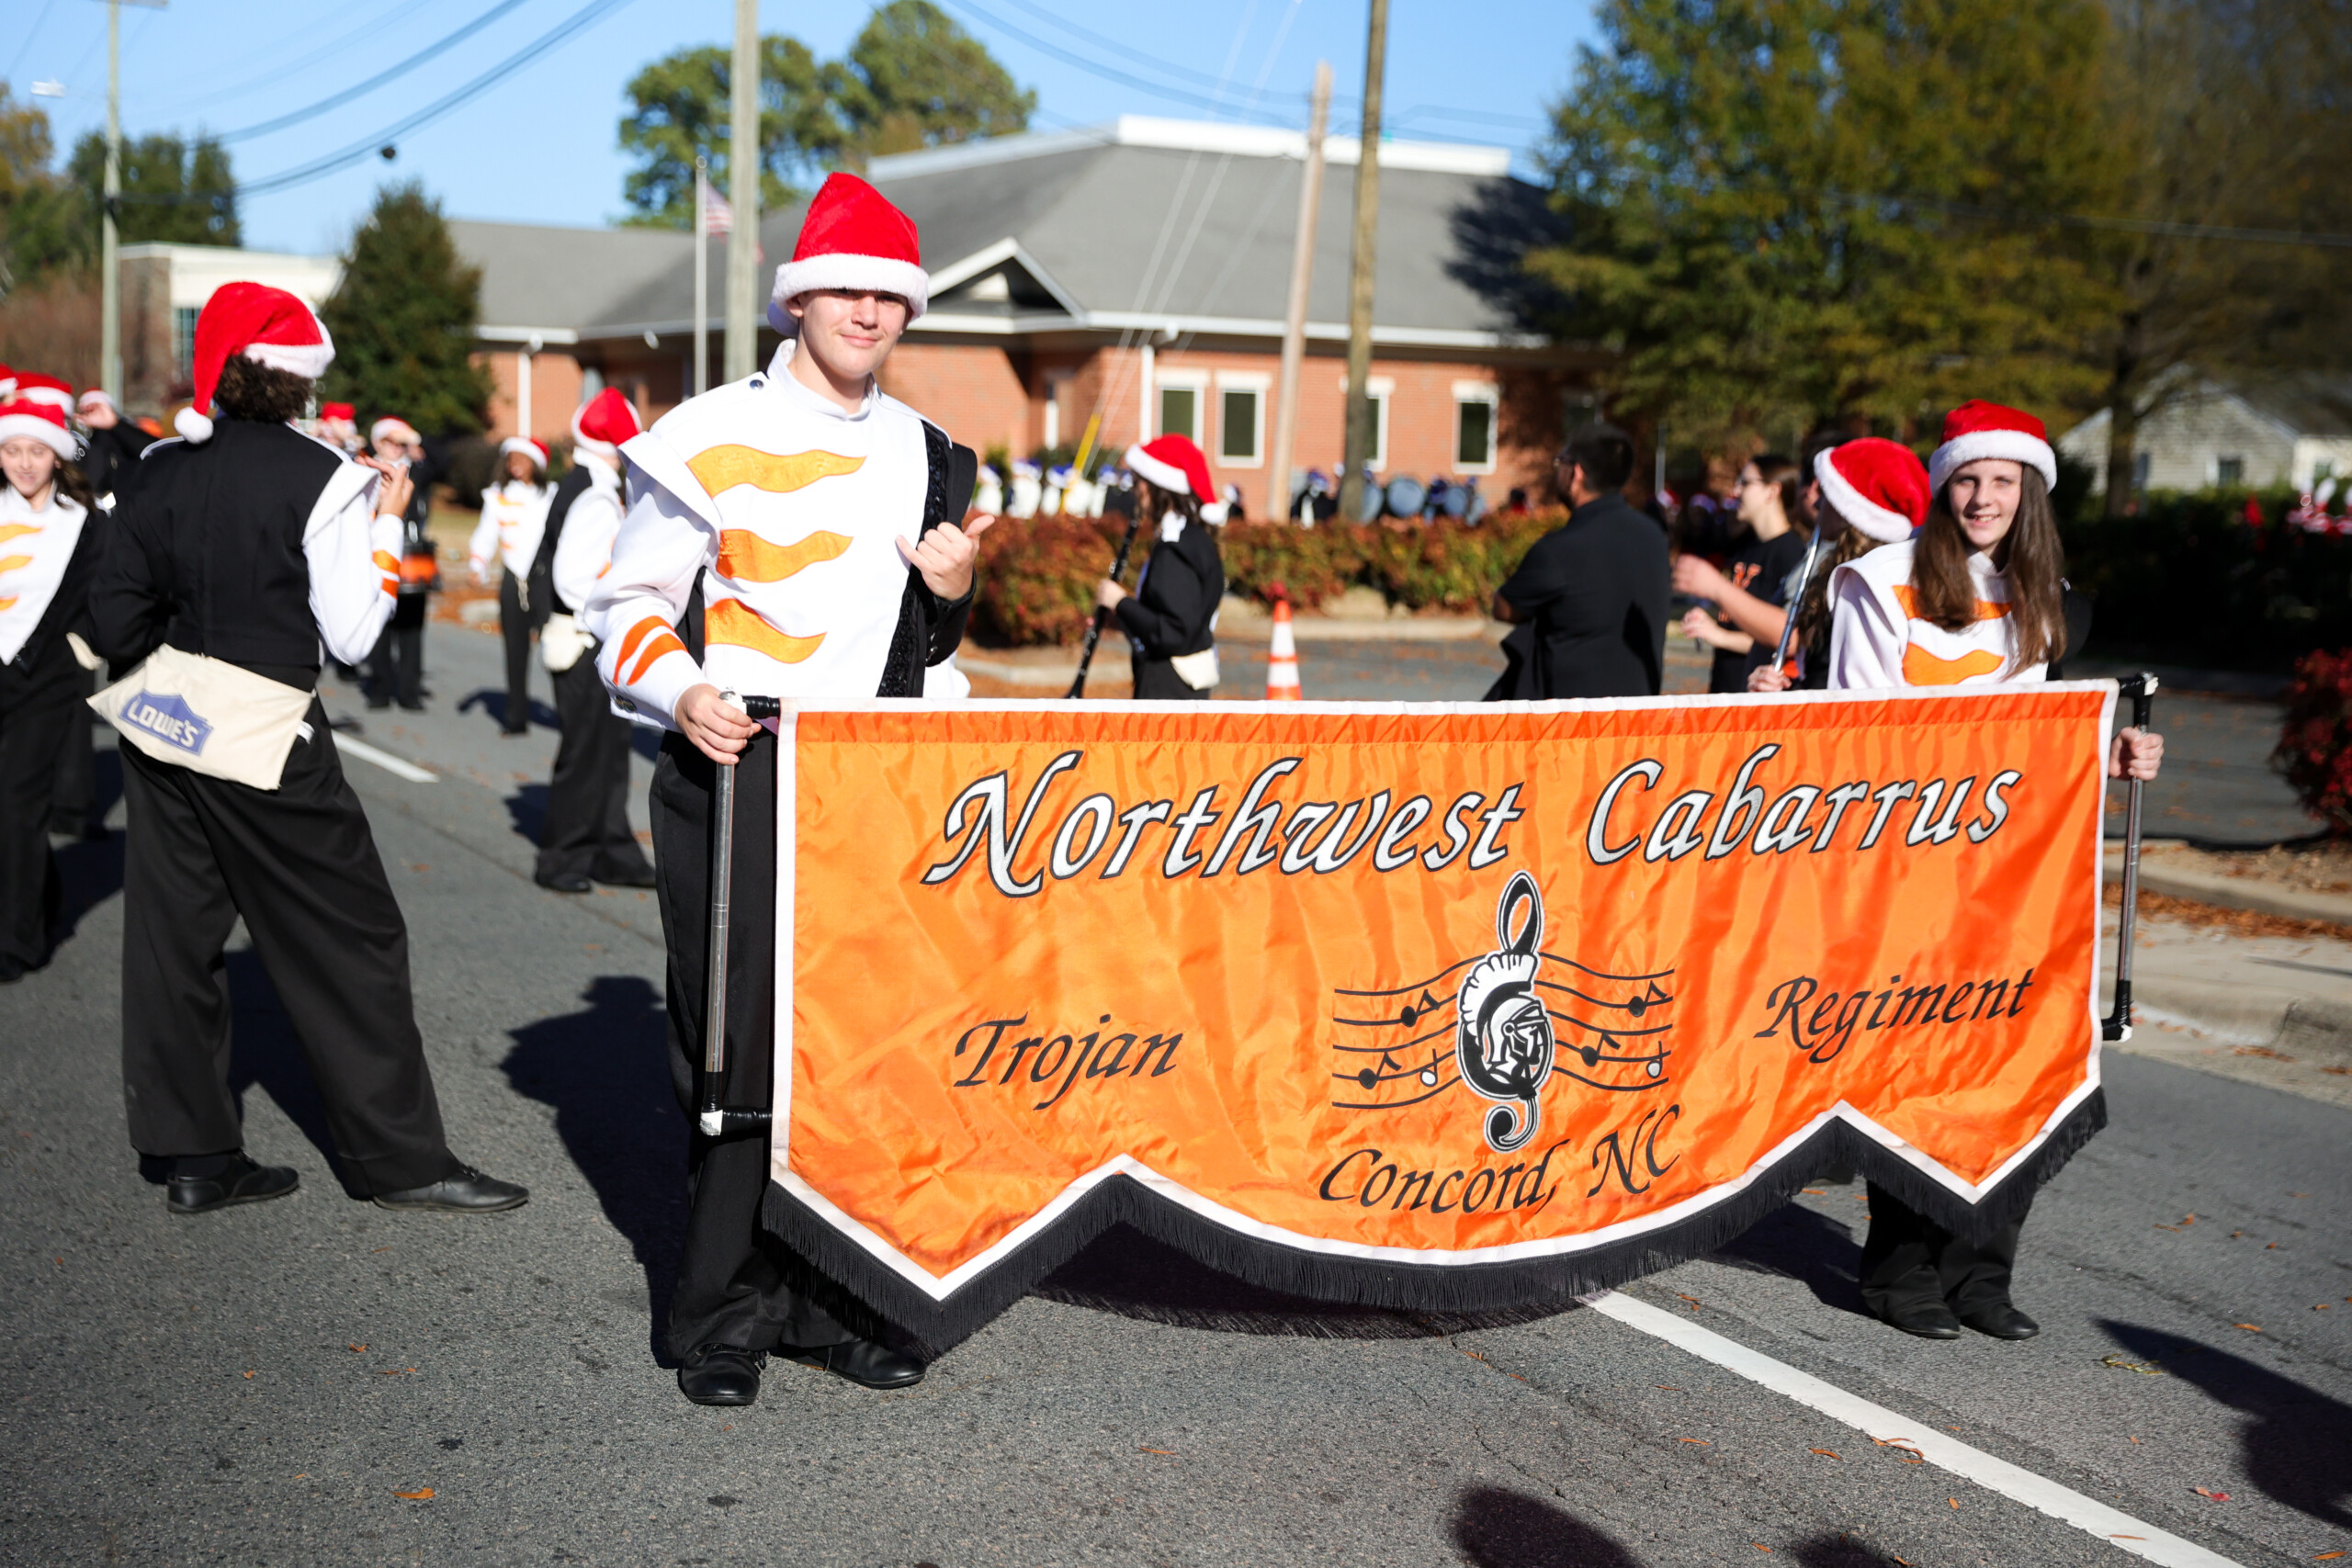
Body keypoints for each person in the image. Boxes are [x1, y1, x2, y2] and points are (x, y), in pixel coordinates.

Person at [582, 173, 986, 1404]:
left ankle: (830, 1304)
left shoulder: (932, 454)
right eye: (844, 289)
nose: (867, 312)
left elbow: (933, 654)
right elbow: (626, 605)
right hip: (740, 761)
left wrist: (956, 590)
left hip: (870, 781)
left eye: (889, 296)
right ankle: (717, 1314)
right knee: (738, 1047)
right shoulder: (706, 430)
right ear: (800, 298)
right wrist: (680, 690)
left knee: (859, 1053)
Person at [87, 282, 527, 1218]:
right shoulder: (327, 477)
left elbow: (115, 612)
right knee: (351, 938)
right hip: (268, 728)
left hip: (163, 719)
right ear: (293, 379)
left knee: (172, 943)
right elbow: (359, 636)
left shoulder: (158, 465)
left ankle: (193, 1156)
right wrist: (380, 521)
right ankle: (400, 1161)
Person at [1821, 400, 2161, 1341]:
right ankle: (1899, 1273)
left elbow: (2037, 736)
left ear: (2029, 493)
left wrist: (2114, 753)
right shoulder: (1878, 580)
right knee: (1923, 1071)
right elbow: (1851, 738)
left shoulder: (2039, 589)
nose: (1981, 497)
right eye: (1967, 478)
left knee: (2012, 1069)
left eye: (2002, 481)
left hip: (2014, 872)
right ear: (1942, 485)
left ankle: (1980, 1271)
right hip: (1908, 872)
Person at [534, 389, 656, 894]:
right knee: (585, 755)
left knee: (610, 752)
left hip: (589, 639)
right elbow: (572, 580)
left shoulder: (585, 483)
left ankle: (612, 850)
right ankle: (563, 857)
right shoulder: (596, 493)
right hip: (585, 639)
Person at [0, 394, 102, 982]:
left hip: (48, 681)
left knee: (18, 800)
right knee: (10, 806)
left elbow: (108, 597)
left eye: (36, 451)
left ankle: (19, 940)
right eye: (12, 451)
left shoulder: (84, 522)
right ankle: (41, 895)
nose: (24, 463)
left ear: (57, 456)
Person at [1487, 421, 1669, 699]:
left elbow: (1505, 608)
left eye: (1561, 461)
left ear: (1577, 473)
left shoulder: (1561, 547)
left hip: (1572, 726)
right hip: (1636, 719)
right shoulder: (1654, 537)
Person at [1747, 438, 1920, 694]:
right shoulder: (1842, 574)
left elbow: (1841, 697)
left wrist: (1787, 697)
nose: (1816, 504)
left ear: (1849, 509)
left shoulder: (1862, 586)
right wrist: (1779, 690)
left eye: (1827, 496)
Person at [1094, 434, 1227, 700]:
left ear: (1156, 485)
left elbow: (1174, 632)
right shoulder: (1192, 538)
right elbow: (1172, 616)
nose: (1135, 488)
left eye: (1138, 480)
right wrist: (1125, 619)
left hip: (1170, 684)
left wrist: (1120, 601)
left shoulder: (1176, 547)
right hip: (1180, 681)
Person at [1673, 453, 1811, 693]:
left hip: (1755, 698)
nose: (1735, 491)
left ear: (1772, 491)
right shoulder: (1745, 546)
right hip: (1727, 687)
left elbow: (1786, 638)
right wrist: (1708, 624)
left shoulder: (1790, 553)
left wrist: (1719, 635)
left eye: (1745, 483)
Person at [469, 435, 550, 733]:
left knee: (556, 648)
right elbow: (486, 533)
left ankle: (568, 713)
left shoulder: (550, 495)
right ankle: (516, 716)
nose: (515, 465)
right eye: (511, 459)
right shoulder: (497, 495)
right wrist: (478, 564)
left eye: (522, 459)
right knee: (515, 650)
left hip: (544, 580)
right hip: (512, 579)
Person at [363, 416, 436, 710]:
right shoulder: (363, 469)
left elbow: (443, 460)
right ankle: (379, 687)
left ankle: (409, 690)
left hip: (410, 556)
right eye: (390, 441)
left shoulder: (415, 469)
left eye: (401, 442)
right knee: (379, 621)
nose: (397, 447)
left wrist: (415, 441)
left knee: (411, 624)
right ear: (378, 442)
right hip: (374, 552)